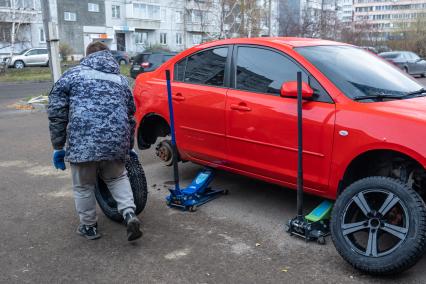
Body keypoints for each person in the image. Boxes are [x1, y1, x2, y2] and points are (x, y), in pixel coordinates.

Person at [47, 41, 143, 241]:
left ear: (87, 55)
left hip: (83, 142)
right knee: (117, 178)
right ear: (108, 56)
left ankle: (89, 227)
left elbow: (57, 113)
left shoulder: (72, 76)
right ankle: (129, 213)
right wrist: (128, 146)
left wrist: (58, 146)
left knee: (83, 186)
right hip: (116, 142)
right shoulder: (121, 80)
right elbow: (130, 116)